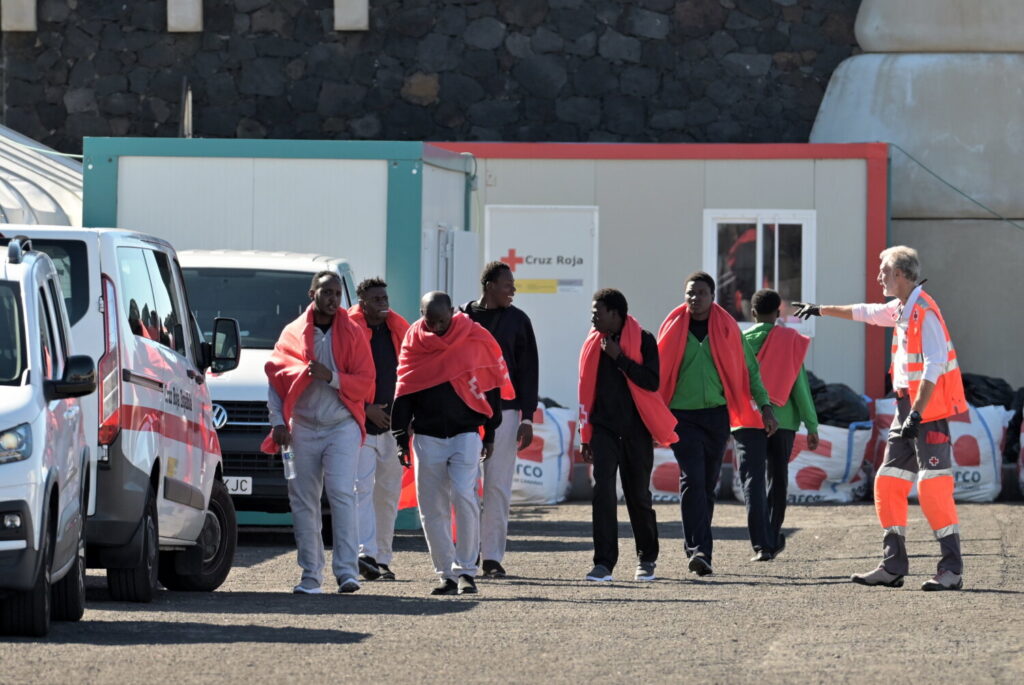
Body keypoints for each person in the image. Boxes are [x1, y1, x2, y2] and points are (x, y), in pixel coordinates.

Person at [793, 245, 967, 591]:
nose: (878, 278)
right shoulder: (902, 308)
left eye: (884, 272)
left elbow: (934, 366)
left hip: (926, 412)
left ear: (900, 274)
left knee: (933, 488)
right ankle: (892, 566)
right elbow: (866, 312)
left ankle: (951, 570)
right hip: (908, 410)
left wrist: (916, 413)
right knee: (887, 482)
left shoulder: (924, 311)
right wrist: (820, 310)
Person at [391, 292, 514, 596]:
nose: (435, 327)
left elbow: (491, 382)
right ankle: (446, 574)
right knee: (431, 508)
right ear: (421, 314)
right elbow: (404, 388)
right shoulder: (414, 341)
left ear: (451, 313)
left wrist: (491, 432)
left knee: (463, 495)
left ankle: (467, 570)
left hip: (466, 432)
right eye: (429, 320)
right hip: (427, 435)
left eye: (441, 320)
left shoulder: (473, 336)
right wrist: (400, 438)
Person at [657, 272, 778, 577]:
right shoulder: (673, 328)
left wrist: (765, 407)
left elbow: (750, 370)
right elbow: (657, 372)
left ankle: (698, 548)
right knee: (692, 479)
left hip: (717, 416)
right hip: (681, 417)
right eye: (690, 293)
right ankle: (700, 550)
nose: (695, 298)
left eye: (701, 293)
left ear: (712, 296)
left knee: (707, 483)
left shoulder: (727, 328)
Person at [263, 271, 375, 595]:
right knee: (303, 501)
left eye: (337, 293)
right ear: (312, 294)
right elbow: (277, 378)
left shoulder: (353, 332)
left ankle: (347, 573)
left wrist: (332, 377)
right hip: (302, 428)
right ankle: (311, 577)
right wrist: (278, 422)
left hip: (342, 425)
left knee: (341, 494)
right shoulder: (293, 332)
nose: (333, 299)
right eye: (326, 292)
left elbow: (366, 381)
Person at [579, 289, 678, 583]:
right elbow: (586, 391)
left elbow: (651, 382)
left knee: (638, 496)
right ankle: (603, 563)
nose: (593, 318)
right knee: (603, 493)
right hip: (603, 431)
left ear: (615, 314)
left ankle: (646, 559)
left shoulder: (644, 339)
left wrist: (619, 358)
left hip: (636, 431)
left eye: (597, 312)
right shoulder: (593, 343)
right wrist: (586, 436)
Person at [461, 261, 539, 579]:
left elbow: (529, 370)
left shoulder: (519, 320)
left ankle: (492, 557)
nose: (513, 290)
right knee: (463, 486)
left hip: (505, 413)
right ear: (489, 286)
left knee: (497, 486)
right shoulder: (461, 318)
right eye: (508, 285)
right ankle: (466, 554)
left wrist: (528, 417)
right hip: (465, 412)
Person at [733, 289, 819, 562]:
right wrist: (812, 425)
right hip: (784, 421)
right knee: (778, 477)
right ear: (779, 313)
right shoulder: (789, 340)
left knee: (752, 479)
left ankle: (761, 544)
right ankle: (772, 535)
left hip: (747, 419)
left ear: (752, 313)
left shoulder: (740, 342)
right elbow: (800, 386)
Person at [350, 278, 410, 582]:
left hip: (392, 429)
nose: (383, 303)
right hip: (359, 425)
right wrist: (365, 408)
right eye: (376, 299)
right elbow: (340, 379)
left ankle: (382, 559)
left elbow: (412, 375)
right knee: (360, 491)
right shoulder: (349, 331)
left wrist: (405, 418)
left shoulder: (399, 330)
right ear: (362, 303)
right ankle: (365, 555)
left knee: (387, 496)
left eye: (385, 298)